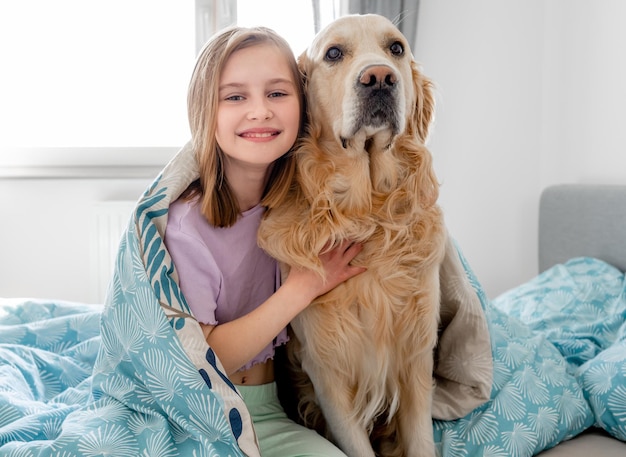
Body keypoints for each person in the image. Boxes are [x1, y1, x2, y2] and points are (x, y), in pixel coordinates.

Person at [164, 26, 366, 456]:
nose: (260, 111)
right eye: (235, 97)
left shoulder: (301, 204)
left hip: (270, 410)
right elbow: (208, 358)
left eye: (277, 94)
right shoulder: (186, 226)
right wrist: (304, 286)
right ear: (206, 111)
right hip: (204, 414)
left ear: (304, 103)